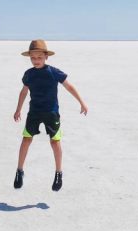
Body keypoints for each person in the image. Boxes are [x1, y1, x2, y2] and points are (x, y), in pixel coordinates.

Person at [12, 39, 87, 191]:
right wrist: (18, 109)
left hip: (51, 113)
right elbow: (24, 92)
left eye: (39, 57)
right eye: (33, 58)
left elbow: (69, 86)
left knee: (54, 141)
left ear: (46, 57)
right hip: (34, 112)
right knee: (26, 139)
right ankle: (19, 171)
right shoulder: (29, 74)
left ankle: (59, 172)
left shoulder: (53, 72)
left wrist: (81, 102)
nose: (36, 60)